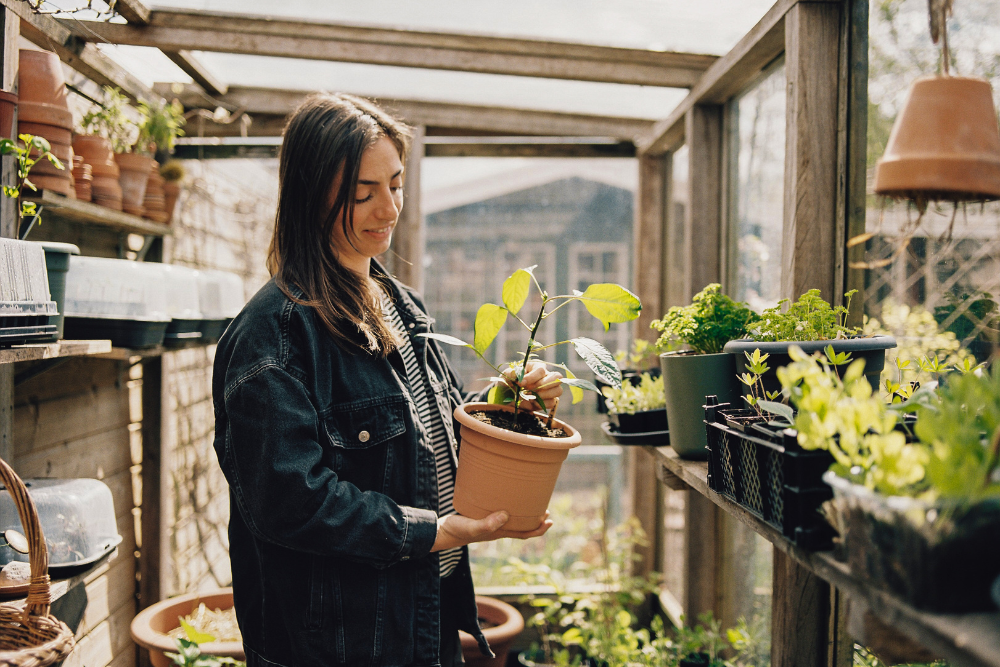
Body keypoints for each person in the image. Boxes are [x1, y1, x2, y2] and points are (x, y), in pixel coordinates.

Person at [212, 93, 564, 667]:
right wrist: (434, 533)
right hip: (339, 644)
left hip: (424, 617)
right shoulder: (275, 335)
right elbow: (291, 501)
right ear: (310, 195)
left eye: (396, 185)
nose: (389, 208)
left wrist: (507, 402)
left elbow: (434, 430)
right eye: (362, 193)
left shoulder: (401, 305)